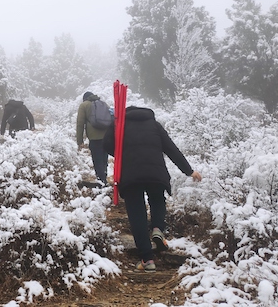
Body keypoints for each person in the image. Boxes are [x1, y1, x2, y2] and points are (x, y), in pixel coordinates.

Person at [103, 106, 202, 272]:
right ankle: (157, 228)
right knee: (157, 200)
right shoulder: (154, 125)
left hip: (131, 175)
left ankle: (147, 259)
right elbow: (171, 149)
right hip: (156, 173)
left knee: (137, 214)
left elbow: (106, 145)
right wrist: (189, 171)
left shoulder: (119, 125)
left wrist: (121, 153)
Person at [76, 91, 110, 185]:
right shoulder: (103, 104)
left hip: (94, 138)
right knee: (104, 159)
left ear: (85, 98)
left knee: (97, 159)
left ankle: (101, 181)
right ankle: (104, 178)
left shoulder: (84, 105)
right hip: (106, 137)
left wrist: (80, 141)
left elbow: (80, 123)